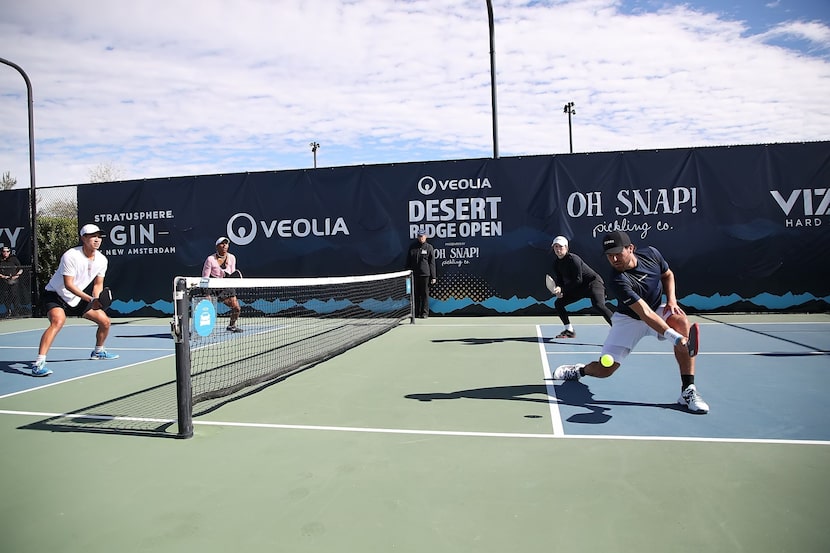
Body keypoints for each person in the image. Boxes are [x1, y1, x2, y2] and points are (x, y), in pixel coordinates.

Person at [552, 231, 709, 414]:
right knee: (605, 369)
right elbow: (645, 314)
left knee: (681, 321)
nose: (614, 259)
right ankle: (580, 371)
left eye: (618, 253)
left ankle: (688, 391)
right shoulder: (617, 280)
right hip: (629, 319)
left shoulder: (652, 254)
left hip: (657, 307)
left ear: (631, 248)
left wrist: (672, 301)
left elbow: (667, 275)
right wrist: (676, 339)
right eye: (609, 255)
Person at [31, 224, 119, 377]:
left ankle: (98, 351)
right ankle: (38, 363)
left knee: (105, 322)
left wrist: (97, 299)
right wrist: (90, 299)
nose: (97, 239)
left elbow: (98, 285)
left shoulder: (102, 260)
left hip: (77, 298)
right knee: (58, 321)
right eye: (92, 236)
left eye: (99, 236)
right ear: (83, 238)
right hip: (55, 294)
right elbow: (68, 284)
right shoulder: (71, 255)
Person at [547, 235, 613, 338]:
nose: (558, 249)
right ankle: (569, 330)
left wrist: (563, 289)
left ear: (566, 247)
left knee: (598, 305)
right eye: (556, 247)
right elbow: (560, 281)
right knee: (558, 303)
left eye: (561, 246)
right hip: (579, 287)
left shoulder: (573, 259)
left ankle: (618, 328)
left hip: (593, 283)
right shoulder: (556, 264)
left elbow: (578, 279)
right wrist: (559, 290)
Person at [202, 236, 243, 332]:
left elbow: (232, 272)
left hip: (227, 285)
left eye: (226, 243)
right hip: (213, 285)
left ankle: (231, 326)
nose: (224, 245)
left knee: (237, 308)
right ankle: (201, 329)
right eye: (222, 243)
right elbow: (205, 276)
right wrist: (206, 293)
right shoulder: (210, 259)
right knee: (207, 309)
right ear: (217, 246)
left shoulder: (232, 258)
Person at [407, 228, 436, 318]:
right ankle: (415, 313)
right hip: (414, 275)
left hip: (425, 275)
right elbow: (408, 261)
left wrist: (433, 277)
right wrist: (407, 274)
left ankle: (424, 313)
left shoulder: (429, 247)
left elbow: (432, 263)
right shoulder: (412, 247)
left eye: (422, 236)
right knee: (415, 295)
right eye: (419, 236)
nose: (421, 238)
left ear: (425, 236)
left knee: (425, 295)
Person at [0, 246, 24, 317]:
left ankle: (16, 312)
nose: (5, 253)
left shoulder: (14, 259)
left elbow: (21, 269)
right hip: (4, 282)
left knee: (14, 296)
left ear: (9, 252)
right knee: (6, 297)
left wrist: (16, 275)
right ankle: (8, 311)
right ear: (1, 252)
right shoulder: (0, 260)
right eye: (4, 251)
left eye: (7, 251)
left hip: (14, 281)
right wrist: (3, 276)